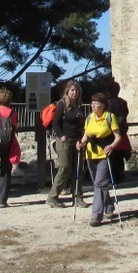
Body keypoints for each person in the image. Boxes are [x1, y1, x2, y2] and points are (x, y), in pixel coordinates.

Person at [79, 92, 123, 226]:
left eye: (96, 103)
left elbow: (118, 137)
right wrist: (81, 143)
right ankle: (109, 206)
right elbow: (85, 136)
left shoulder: (110, 117)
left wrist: (111, 146)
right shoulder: (89, 118)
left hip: (104, 155)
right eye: (92, 103)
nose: (93, 105)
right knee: (99, 184)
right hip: (90, 155)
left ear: (103, 105)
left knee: (99, 183)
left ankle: (96, 215)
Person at [47, 80, 84, 208]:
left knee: (78, 169)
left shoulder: (78, 106)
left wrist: (82, 139)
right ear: (67, 91)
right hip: (64, 140)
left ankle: (78, 197)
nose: (74, 93)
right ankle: (53, 197)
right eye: (72, 90)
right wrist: (62, 136)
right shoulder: (62, 105)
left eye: (76, 90)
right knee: (65, 167)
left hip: (77, 141)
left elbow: (80, 125)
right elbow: (55, 124)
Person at [106, 80, 132, 183]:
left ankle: (114, 178)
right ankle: (121, 176)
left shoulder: (107, 103)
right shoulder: (123, 102)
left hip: (111, 132)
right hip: (122, 131)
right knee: (120, 156)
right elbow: (125, 113)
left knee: (113, 156)